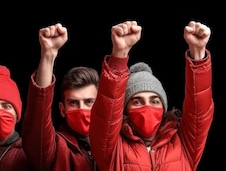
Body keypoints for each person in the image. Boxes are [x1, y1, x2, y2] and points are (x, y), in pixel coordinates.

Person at [90, 20, 214, 170]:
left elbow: (199, 110)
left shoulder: (185, 143)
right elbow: (107, 110)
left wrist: (198, 52)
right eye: (137, 102)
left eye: (155, 101)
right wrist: (119, 53)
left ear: (163, 107)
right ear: (125, 108)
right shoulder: (112, 149)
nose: (147, 107)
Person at [22, 23, 99, 171]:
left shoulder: (116, 146)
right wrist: (48, 55)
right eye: (74, 103)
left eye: (89, 102)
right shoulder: (56, 147)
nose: (82, 109)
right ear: (62, 109)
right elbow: (38, 120)